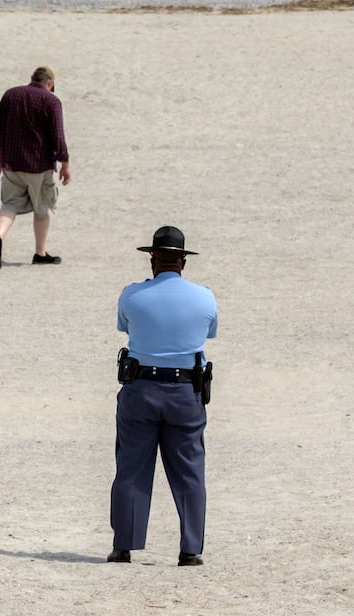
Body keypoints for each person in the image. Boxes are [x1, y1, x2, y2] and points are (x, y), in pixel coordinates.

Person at [109, 226, 218, 567]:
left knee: (131, 468)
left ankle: (124, 546)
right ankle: (190, 550)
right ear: (183, 262)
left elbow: (124, 326)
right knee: (189, 470)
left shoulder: (133, 295)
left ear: (152, 260)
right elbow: (210, 331)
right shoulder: (204, 297)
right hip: (186, 392)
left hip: (141, 389)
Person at [0, 66, 71, 268]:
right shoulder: (51, 101)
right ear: (49, 83)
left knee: (10, 204)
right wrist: (65, 164)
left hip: (11, 163)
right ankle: (40, 253)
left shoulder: (11, 94)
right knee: (42, 208)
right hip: (38, 165)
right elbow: (58, 137)